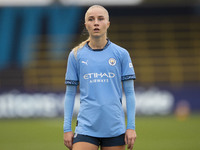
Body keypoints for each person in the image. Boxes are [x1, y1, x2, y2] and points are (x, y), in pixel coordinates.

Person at [63, 5, 137, 150]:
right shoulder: (76, 55)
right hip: (86, 126)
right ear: (86, 25)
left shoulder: (121, 54)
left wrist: (131, 127)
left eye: (100, 19)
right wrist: (67, 128)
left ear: (108, 23)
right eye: (91, 19)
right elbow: (70, 93)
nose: (96, 22)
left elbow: (129, 93)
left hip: (114, 127)